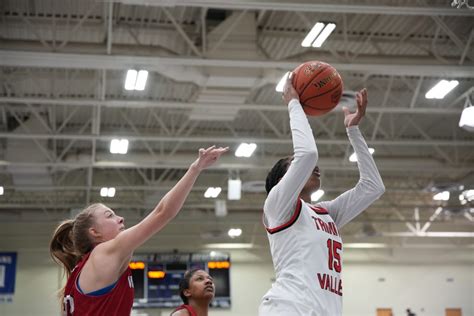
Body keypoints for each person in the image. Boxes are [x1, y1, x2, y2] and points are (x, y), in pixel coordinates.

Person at [258, 73, 385, 316]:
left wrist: (354, 131)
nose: (313, 168)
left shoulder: (325, 213)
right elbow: (307, 155)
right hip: (288, 308)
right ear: (284, 181)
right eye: (294, 164)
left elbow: (373, 187)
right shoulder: (277, 206)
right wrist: (294, 103)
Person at [50, 145, 228, 316]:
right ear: (94, 232)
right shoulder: (104, 252)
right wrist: (195, 168)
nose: (120, 218)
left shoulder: (86, 269)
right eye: (109, 215)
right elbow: (162, 212)